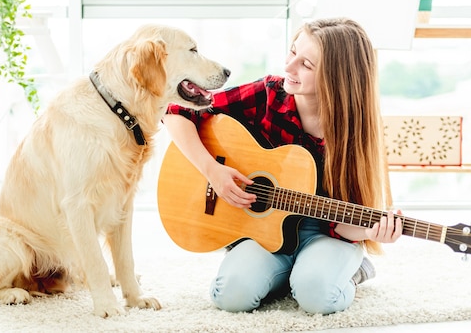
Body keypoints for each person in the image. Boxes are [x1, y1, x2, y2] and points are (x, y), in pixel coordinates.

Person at [162, 17, 403, 315]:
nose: (289, 67)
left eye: (307, 65)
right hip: (263, 230)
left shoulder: (358, 132)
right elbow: (176, 111)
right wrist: (213, 171)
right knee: (230, 296)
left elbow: (343, 224)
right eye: (292, 52)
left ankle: (349, 270)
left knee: (318, 298)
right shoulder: (269, 94)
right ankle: (294, 275)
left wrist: (371, 232)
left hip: (326, 232)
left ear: (337, 78)